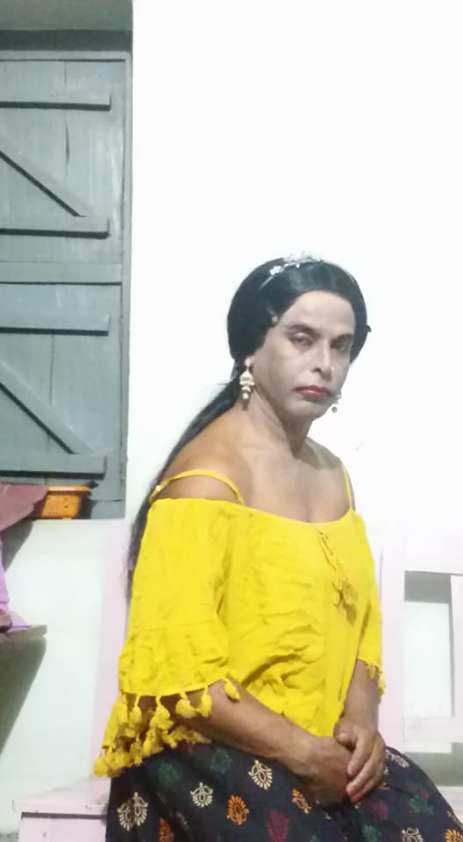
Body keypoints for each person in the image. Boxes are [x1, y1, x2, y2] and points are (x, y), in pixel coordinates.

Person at [95, 255, 463, 841]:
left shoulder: (333, 475)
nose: (324, 363)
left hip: (321, 744)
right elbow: (178, 677)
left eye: (341, 346)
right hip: (209, 751)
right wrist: (302, 753)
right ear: (251, 346)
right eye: (301, 338)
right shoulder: (206, 482)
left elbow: (358, 624)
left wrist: (361, 723)